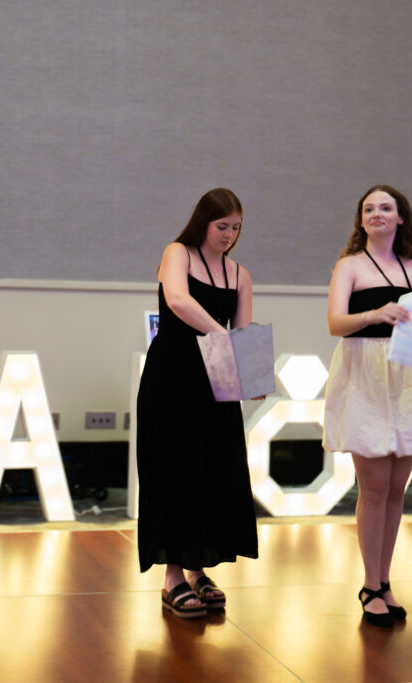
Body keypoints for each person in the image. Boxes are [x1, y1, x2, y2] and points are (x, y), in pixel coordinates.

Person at [322, 184, 412, 627]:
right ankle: (369, 583)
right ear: (361, 221)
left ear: (400, 218)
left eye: (386, 207)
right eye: (369, 208)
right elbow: (335, 323)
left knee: (397, 490)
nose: (377, 213)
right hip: (365, 376)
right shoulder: (350, 266)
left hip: (407, 378)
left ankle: (385, 580)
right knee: (373, 488)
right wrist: (376, 314)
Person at [136, 188, 260, 619]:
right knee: (175, 469)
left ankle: (199, 569)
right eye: (222, 226)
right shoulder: (178, 253)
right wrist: (222, 336)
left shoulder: (240, 274)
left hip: (216, 378)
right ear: (203, 222)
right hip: (173, 374)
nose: (229, 234)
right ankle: (172, 576)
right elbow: (177, 300)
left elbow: (242, 332)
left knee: (213, 469)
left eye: (236, 227)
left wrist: (254, 372)